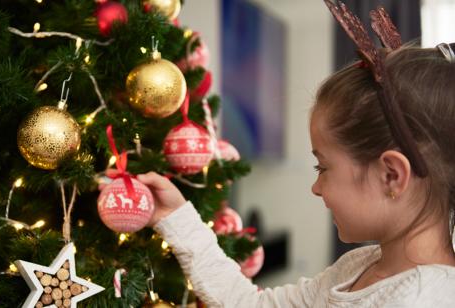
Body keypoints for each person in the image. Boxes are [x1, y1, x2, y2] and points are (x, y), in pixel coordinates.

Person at [101, 5, 455, 308]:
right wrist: (176, 216)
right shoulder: (358, 266)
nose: (317, 187)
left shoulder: (426, 298)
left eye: (324, 166)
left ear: (391, 175)